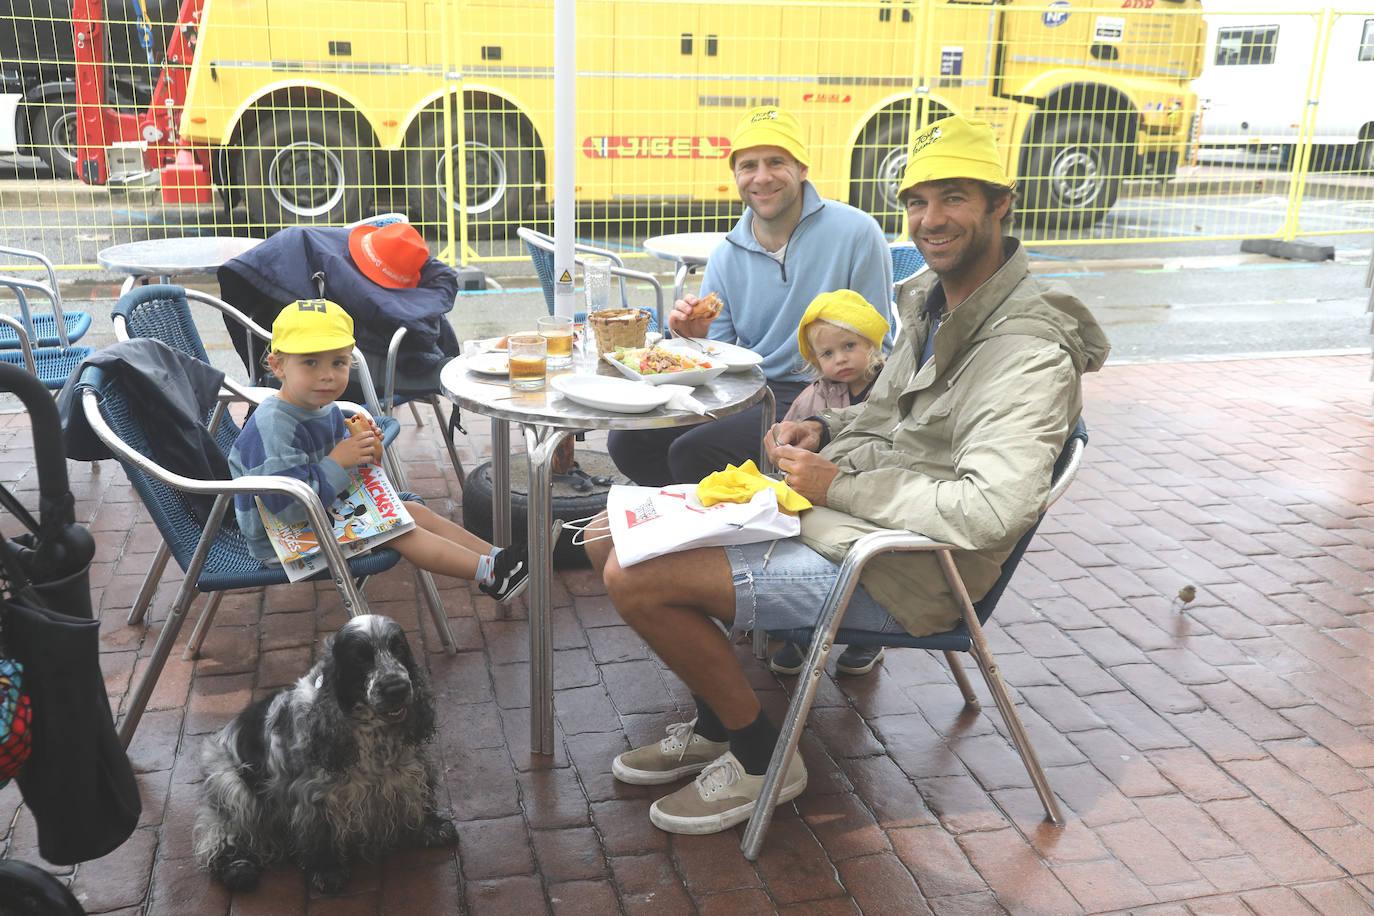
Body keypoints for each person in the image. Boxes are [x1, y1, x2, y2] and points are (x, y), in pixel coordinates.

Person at [583, 114, 1110, 836]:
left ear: (1000, 204)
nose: (931, 219)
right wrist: (825, 426)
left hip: (908, 570)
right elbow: (888, 408)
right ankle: (715, 717)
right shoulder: (936, 301)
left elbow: (990, 511)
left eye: (953, 198)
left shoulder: (1024, 351)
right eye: (918, 201)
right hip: (850, 520)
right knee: (601, 537)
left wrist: (837, 485)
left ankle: (765, 755)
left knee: (634, 574)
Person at [607, 106, 893, 486]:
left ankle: (723, 521)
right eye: (748, 165)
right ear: (736, 176)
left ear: (802, 168)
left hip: (827, 393)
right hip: (751, 391)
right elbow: (718, 362)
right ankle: (690, 514)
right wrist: (693, 338)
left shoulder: (857, 233)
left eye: (776, 161)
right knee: (628, 441)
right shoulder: (727, 253)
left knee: (692, 453)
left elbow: (880, 346)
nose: (762, 177)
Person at [228, 299, 529, 603]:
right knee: (396, 529)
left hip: (319, 513)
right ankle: (492, 574)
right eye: (310, 362)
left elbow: (341, 474)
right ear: (278, 365)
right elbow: (288, 506)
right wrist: (339, 460)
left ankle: (499, 557)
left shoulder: (326, 408)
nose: (327, 375)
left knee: (411, 511)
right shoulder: (274, 426)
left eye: (338, 362)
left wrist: (366, 454)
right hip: (282, 538)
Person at [769, 289, 889, 678]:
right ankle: (803, 627)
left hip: (871, 488)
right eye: (827, 353)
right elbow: (788, 432)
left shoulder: (892, 387)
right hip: (817, 496)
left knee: (868, 557)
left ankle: (868, 633)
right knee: (802, 544)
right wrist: (781, 443)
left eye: (850, 345)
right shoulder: (815, 395)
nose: (840, 359)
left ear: (871, 341)